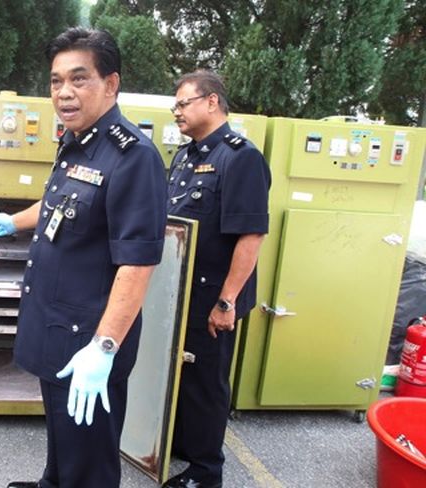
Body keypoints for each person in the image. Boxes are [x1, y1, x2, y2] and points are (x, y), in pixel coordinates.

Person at [0, 27, 168, 488]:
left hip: (89, 341)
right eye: (55, 81)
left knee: (90, 461)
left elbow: (138, 263)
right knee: (65, 439)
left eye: (79, 79)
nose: (64, 92)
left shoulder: (132, 156)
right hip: (57, 328)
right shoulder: (77, 142)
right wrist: (14, 221)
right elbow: (60, 209)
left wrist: (103, 348)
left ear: (110, 84)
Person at [163, 70, 271, 488]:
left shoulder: (239, 156)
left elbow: (252, 235)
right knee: (182, 379)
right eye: (175, 106)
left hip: (213, 299)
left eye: (183, 103)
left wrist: (227, 301)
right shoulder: (185, 156)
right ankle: (183, 447)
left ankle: (206, 472)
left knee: (206, 385)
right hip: (182, 294)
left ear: (211, 102)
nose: (177, 112)